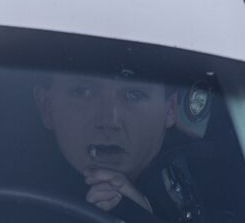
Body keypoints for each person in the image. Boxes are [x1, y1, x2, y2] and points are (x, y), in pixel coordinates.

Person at [33, 72, 185, 220]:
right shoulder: (16, 200)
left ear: (170, 110)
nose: (109, 121)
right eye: (82, 91)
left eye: (133, 95)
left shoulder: (204, 186)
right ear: (47, 107)